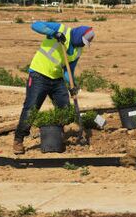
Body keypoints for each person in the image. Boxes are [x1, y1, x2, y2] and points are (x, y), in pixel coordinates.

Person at [13, 22, 95, 154]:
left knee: (65, 109)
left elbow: (68, 70)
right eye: (82, 41)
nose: (82, 44)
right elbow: (35, 25)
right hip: (39, 74)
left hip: (57, 79)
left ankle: (57, 135)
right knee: (31, 108)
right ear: (78, 36)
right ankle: (18, 140)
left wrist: (72, 84)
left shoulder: (78, 50)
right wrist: (53, 33)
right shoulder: (60, 29)